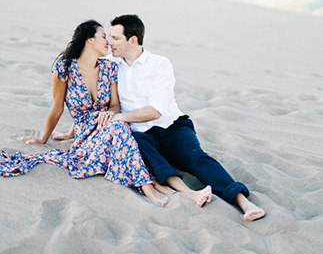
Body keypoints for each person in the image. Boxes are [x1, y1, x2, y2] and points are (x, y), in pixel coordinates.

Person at [56, 15, 265, 221]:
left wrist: (118, 117)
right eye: (108, 37)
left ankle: (243, 201)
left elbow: (156, 110)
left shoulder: (159, 64)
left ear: (133, 40)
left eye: (116, 38)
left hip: (171, 126)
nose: (110, 43)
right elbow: (93, 104)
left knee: (195, 158)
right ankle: (186, 193)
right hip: (139, 132)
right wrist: (71, 132)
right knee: (153, 160)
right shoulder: (109, 65)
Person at [0, 20, 169, 207]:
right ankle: (148, 187)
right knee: (120, 128)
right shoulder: (64, 69)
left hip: (106, 124)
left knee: (119, 125)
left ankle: (148, 186)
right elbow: (57, 108)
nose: (108, 42)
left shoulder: (109, 68)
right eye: (104, 37)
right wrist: (43, 139)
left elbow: (114, 106)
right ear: (89, 40)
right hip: (85, 135)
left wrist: (111, 114)